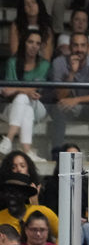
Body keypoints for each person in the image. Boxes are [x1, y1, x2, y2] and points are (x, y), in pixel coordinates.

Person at [49, 32, 89, 150]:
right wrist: (72, 73)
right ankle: (56, 153)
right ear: (70, 47)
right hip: (68, 108)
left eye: (83, 45)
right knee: (58, 107)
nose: (79, 49)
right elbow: (60, 95)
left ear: (88, 47)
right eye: (75, 45)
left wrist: (76, 100)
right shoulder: (59, 62)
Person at [1, 31, 51, 159]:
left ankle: (8, 139)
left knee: (23, 98)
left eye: (37, 43)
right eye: (30, 42)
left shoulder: (44, 64)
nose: (34, 46)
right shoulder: (12, 62)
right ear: (24, 43)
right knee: (25, 105)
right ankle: (27, 152)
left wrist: (17, 89)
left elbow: (33, 89)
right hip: (11, 107)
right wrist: (25, 91)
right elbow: (7, 91)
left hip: (38, 107)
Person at [9, 0, 54, 64]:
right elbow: (14, 52)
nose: (30, 6)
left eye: (33, 2)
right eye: (27, 4)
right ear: (23, 8)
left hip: (41, 65)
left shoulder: (46, 27)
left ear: (39, 5)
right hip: (21, 64)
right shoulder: (16, 26)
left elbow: (47, 56)